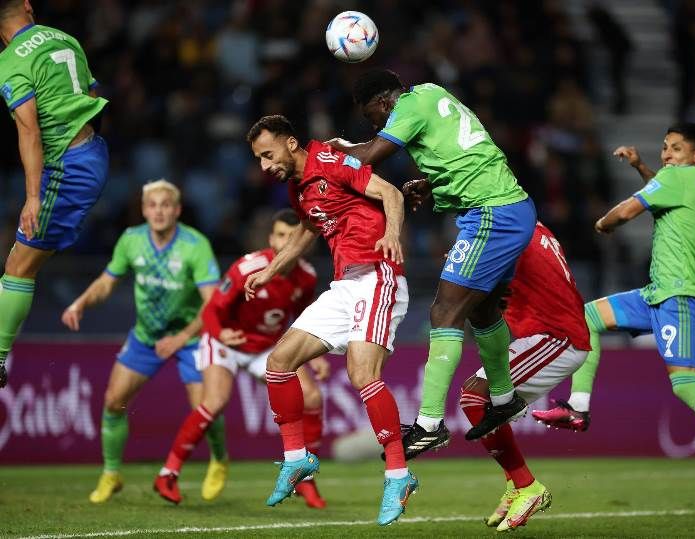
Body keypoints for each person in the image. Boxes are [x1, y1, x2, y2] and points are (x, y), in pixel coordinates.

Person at [532, 123, 695, 511]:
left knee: (686, 386)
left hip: (679, 298)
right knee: (586, 317)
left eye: (676, 148)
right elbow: (663, 187)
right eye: (665, 147)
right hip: (656, 294)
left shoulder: (677, 180)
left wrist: (602, 224)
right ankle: (579, 407)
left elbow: (626, 212)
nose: (667, 154)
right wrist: (642, 168)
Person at [326, 69, 536, 458]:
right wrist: (433, 182)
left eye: (373, 117)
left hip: (491, 213)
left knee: (444, 313)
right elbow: (462, 148)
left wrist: (331, 151)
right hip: (509, 207)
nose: (376, 126)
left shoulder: (407, 106)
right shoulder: (431, 92)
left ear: (384, 102)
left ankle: (429, 425)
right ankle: (504, 399)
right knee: (483, 311)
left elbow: (368, 157)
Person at [243, 115, 417, 526]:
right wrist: (270, 271)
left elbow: (390, 192)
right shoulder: (297, 187)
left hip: (377, 273)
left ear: (290, 143)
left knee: (362, 374)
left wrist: (392, 234)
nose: (265, 165)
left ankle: (398, 475)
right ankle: (296, 457)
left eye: (268, 154)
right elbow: (306, 230)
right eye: (259, 159)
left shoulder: (330, 160)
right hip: (344, 284)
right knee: (279, 362)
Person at [61, 180, 227, 504]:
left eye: (166, 205)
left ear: (177, 210)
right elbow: (106, 283)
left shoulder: (195, 245)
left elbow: (213, 303)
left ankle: (220, 460)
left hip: (191, 338)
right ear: (144, 210)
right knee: (113, 401)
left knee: (204, 411)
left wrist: (181, 338)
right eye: (152, 205)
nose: (159, 211)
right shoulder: (131, 240)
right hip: (146, 337)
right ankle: (111, 474)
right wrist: (80, 303)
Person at [153, 209, 331, 509]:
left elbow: (303, 316)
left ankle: (305, 478)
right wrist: (221, 334)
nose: (285, 242)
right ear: (271, 238)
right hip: (228, 340)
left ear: (304, 240)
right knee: (215, 402)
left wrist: (313, 355)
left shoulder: (306, 276)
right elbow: (212, 310)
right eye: (280, 235)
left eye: (292, 236)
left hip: (266, 347)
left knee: (312, 397)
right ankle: (167, 474)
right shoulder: (248, 267)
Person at [0, 0, 109, 388]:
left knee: (19, 266)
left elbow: (29, 130)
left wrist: (33, 197)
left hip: (67, 168)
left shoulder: (12, 61)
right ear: (27, 5)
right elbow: (92, 93)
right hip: (88, 151)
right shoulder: (65, 38)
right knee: (19, 260)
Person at [459, 221, 590, 532]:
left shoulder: (507, 228)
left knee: (475, 396)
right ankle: (517, 485)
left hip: (557, 337)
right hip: (546, 333)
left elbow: (477, 288)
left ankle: (527, 486)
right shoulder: (528, 226)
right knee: (480, 401)